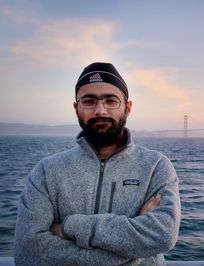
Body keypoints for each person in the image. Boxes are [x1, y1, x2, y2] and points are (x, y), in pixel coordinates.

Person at [14, 62, 181, 266]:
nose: (100, 111)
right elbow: (29, 252)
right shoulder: (46, 171)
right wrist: (134, 249)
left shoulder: (156, 166)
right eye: (89, 101)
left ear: (128, 108)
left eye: (111, 101)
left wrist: (68, 227)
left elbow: (162, 235)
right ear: (76, 108)